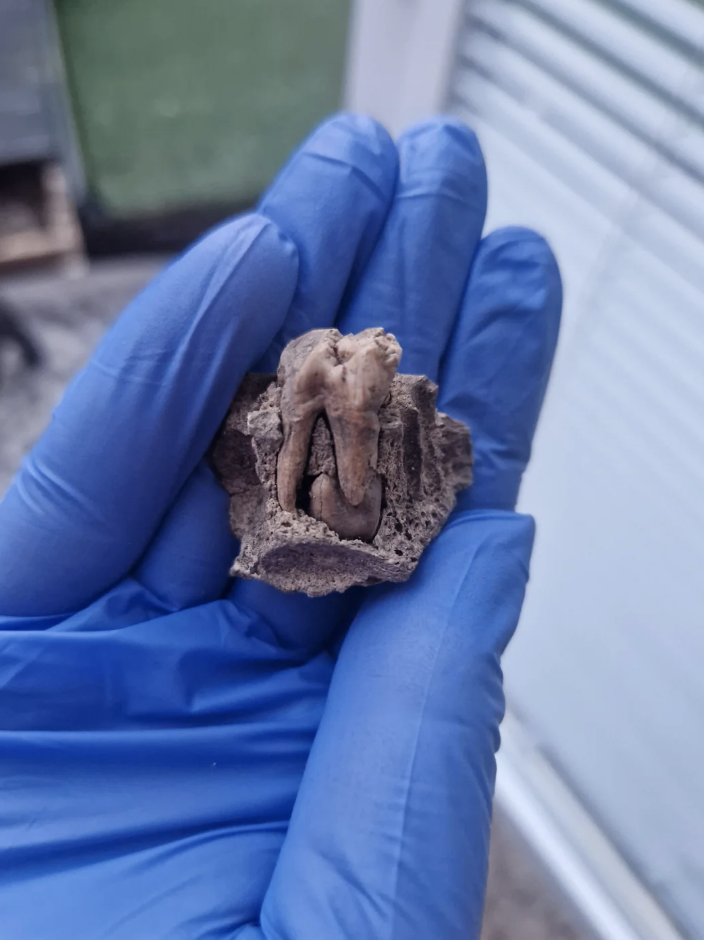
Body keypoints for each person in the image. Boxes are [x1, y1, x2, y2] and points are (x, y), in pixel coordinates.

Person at [0, 115, 561, 939]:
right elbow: (307, 427)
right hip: (295, 503)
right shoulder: (303, 407)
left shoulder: (378, 400)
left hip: (348, 504)